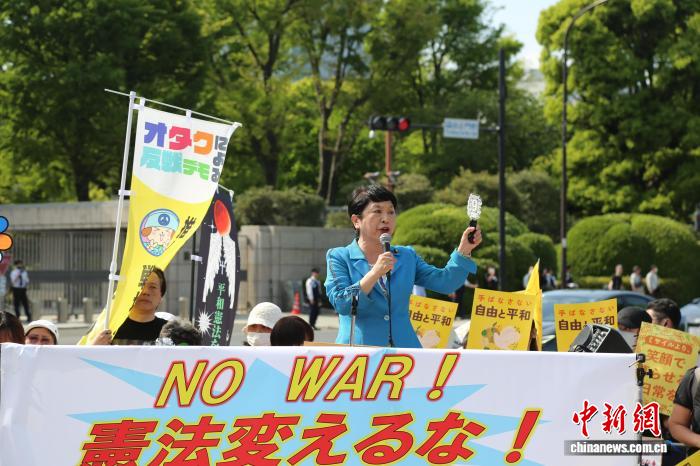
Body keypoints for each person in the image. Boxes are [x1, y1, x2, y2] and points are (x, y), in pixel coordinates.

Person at [325, 185, 482, 348]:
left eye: (391, 212)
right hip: (359, 353)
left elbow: (445, 283)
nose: (386, 218)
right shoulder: (339, 256)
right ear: (356, 221)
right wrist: (375, 273)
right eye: (377, 211)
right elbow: (342, 304)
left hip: (405, 353)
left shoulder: (406, 256)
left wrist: (464, 251)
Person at [91, 268, 168, 345]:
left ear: (161, 296)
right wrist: (95, 347)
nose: (145, 292)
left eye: (153, 287)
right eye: (140, 285)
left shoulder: (170, 332)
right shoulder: (108, 329)